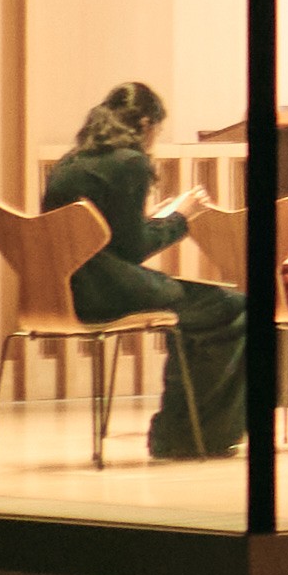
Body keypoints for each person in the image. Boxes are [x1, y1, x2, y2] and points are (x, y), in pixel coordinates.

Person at [40, 80, 253, 463]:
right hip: (106, 292)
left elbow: (110, 237)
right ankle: (195, 436)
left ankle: (179, 434)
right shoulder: (130, 162)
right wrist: (180, 217)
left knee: (202, 312)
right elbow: (134, 249)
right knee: (237, 308)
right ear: (144, 122)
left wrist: (152, 220)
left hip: (63, 294)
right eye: (157, 129)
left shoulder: (71, 162)